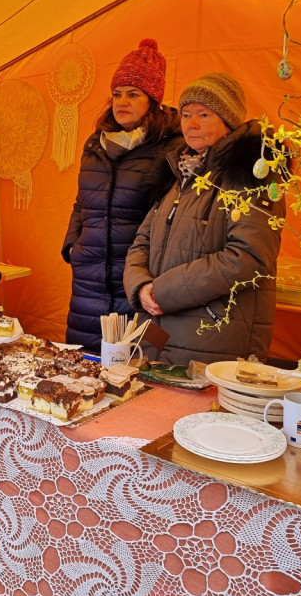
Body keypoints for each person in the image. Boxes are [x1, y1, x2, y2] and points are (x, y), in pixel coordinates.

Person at [123, 72, 285, 365]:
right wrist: (140, 286)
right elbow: (142, 241)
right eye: (186, 114)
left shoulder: (252, 171)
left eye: (204, 114)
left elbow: (248, 257)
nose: (191, 124)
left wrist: (163, 291)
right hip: (158, 330)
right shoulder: (180, 172)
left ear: (228, 120)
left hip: (213, 336)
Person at [62, 39, 181, 351]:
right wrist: (73, 244)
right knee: (82, 365)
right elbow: (81, 201)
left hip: (135, 276)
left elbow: (173, 213)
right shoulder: (95, 143)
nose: (122, 102)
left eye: (133, 94)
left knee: (132, 368)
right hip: (88, 273)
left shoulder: (170, 147)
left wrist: (152, 271)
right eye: (117, 94)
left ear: (152, 100)